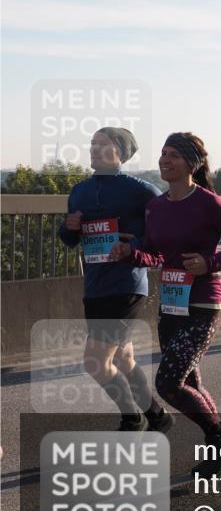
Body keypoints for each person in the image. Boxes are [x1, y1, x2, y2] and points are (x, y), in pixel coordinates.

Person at [110, 132, 221, 475]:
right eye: (162, 154)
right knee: (188, 382)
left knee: (168, 383)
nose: (164, 160)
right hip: (172, 305)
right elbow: (155, 253)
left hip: (205, 304)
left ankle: (220, 434)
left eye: (173, 155)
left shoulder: (208, 202)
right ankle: (218, 444)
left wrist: (211, 263)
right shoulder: (155, 207)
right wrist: (130, 254)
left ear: (192, 163)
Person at [58, 128, 170, 433]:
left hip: (127, 284)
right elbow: (69, 238)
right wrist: (69, 227)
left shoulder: (142, 191)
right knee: (122, 357)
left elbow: (161, 236)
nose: (94, 148)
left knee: (95, 361)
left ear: (120, 151)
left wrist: (132, 247)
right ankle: (157, 415)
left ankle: (132, 418)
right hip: (95, 285)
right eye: (93, 143)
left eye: (103, 144)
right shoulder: (79, 191)